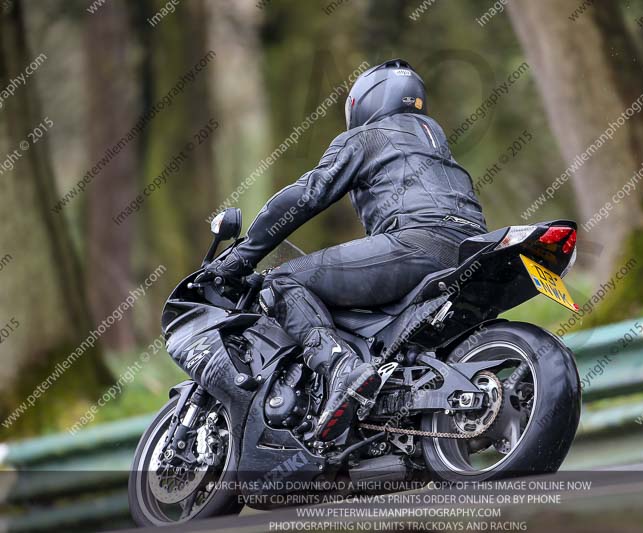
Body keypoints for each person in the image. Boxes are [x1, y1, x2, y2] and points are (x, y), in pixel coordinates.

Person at [198, 59, 487, 441]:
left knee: (283, 280)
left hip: (416, 244)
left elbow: (306, 195)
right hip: (471, 248)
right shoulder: (435, 145)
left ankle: (340, 369)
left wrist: (243, 254)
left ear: (365, 102)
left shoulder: (368, 136)